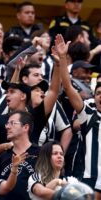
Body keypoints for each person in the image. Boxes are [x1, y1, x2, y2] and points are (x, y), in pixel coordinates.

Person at [59, 33, 101, 197]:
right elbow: (68, 87)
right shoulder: (89, 113)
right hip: (89, 177)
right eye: (98, 93)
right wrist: (63, 59)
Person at [0, 110, 40, 200]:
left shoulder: (40, 154)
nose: (7, 127)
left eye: (12, 123)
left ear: (25, 127)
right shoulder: (2, 157)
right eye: (7, 124)